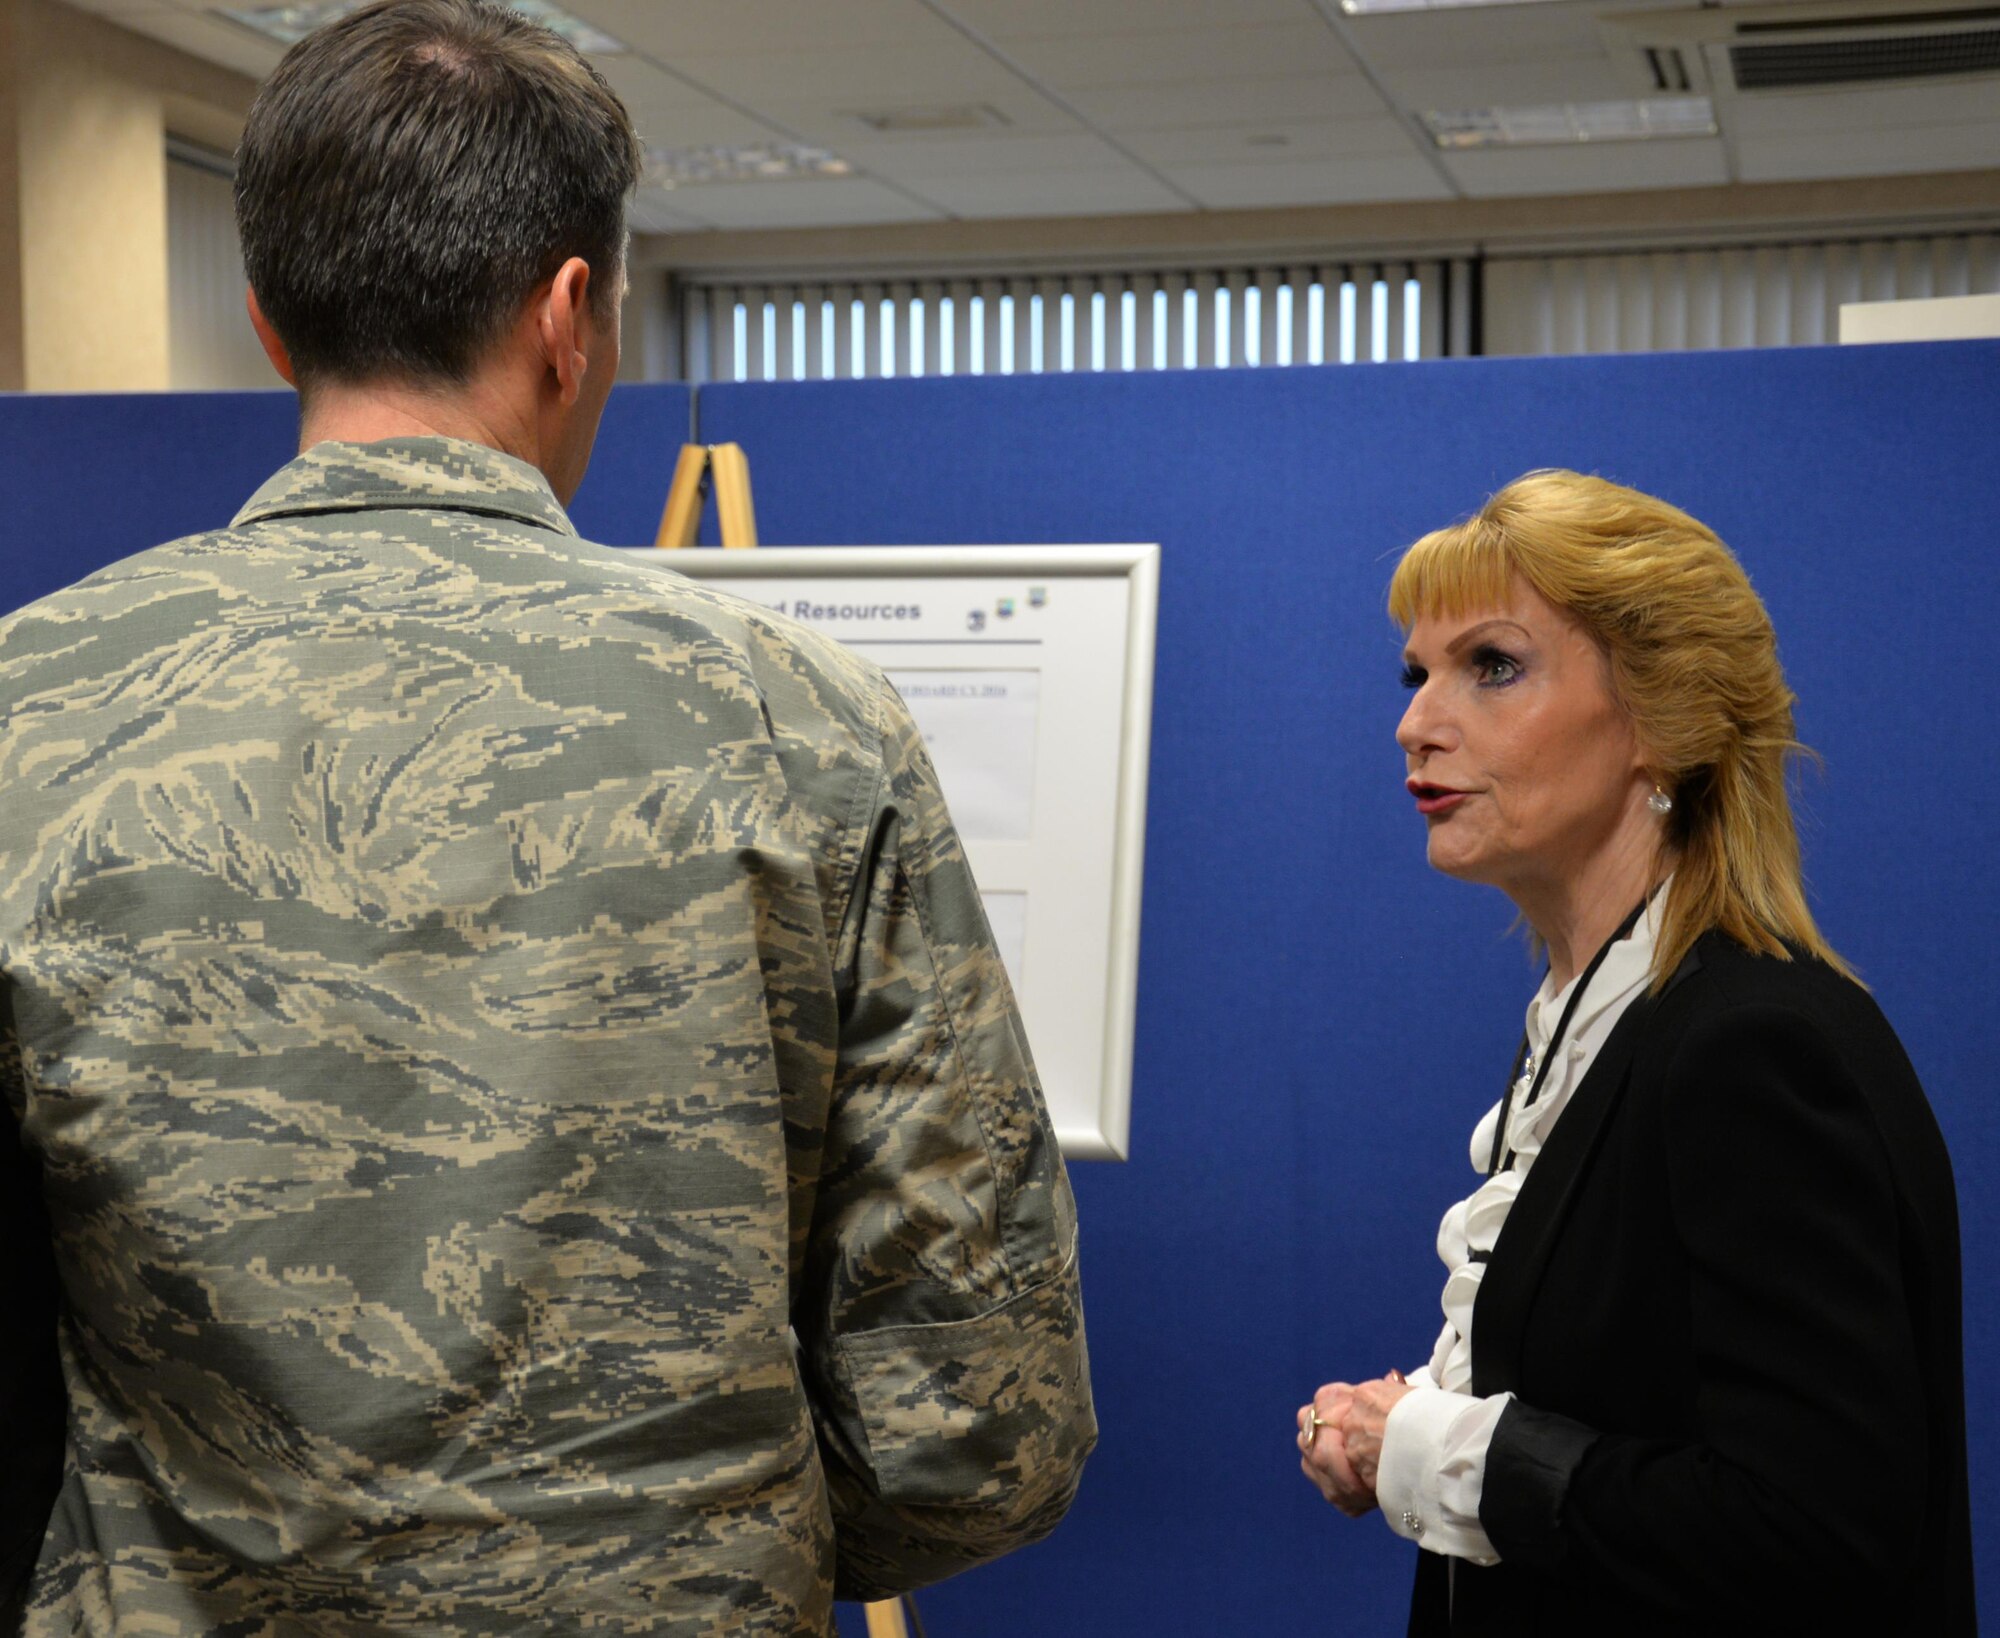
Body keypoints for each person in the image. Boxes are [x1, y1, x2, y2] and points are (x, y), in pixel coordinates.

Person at [0, 2, 1094, 1631]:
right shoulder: (805, 723)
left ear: (265, 323)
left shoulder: (28, 707)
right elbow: (977, 1416)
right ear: (570, 311)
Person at [1296, 470, 1972, 1636]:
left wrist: (1431, 1449)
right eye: (1416, 674)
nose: (1416, 721)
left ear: (1661, 720)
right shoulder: (1598, 1018)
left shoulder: (1753, 1045)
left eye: (1489, 666)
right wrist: (1419, 1426)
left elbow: (1814, 1533)